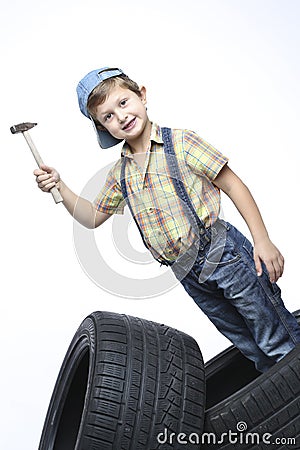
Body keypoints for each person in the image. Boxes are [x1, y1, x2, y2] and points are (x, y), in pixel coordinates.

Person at [34, 67, 300, 372]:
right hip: (185, 271)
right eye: (107, 116)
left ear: (142, 96)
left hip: (224, 255)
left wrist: (262, 240)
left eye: (123, 103)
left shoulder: (182, 143)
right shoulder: (121, 174)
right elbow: (92, 216)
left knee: (274, 336)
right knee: (248, 345)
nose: (120, 117)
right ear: (102, 128)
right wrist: (60, 186)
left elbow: (232, 184)